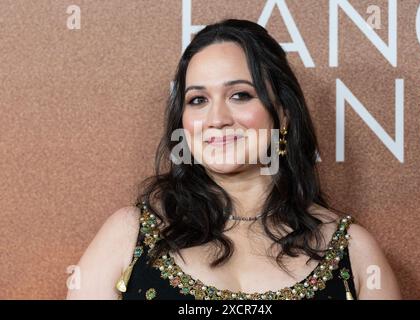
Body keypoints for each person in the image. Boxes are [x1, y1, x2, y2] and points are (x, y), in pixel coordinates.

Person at [67, 19, 401, 300]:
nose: (217, 118)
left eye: (240, 95)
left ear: (282, 116)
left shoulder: (353, 251)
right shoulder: (130, 234)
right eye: (197, 99)